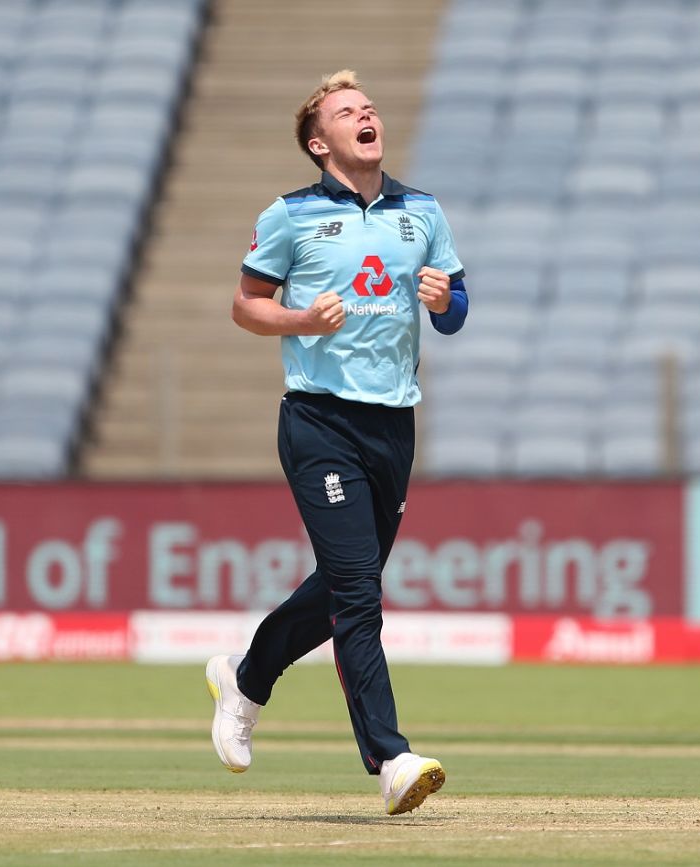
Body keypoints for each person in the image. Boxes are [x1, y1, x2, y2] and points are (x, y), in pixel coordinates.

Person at [206, 70, 468, 816]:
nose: (366, 114)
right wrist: (299, 323)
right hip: (319, 421)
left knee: (340, 588)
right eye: (347, 110)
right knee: (358, 595)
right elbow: (245, 305)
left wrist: (447, 302)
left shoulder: (422, 211)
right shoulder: (289, 216)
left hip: (393, 424)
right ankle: (391, 757)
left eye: (369, 106)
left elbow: (455, 305)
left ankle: (247, 677)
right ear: (320, 142)